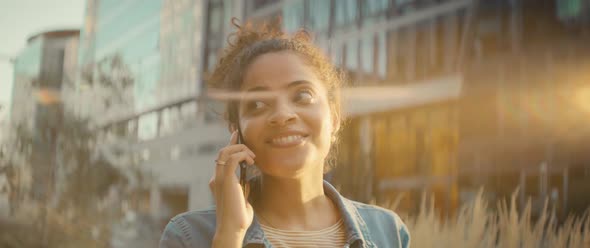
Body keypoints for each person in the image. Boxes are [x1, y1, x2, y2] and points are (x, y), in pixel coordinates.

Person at [159, 19, 410, 248]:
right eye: (257, 104)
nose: (282, 115)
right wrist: (229, 235)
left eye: (302, 95)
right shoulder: (188, 236)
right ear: (237, 132)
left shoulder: (388, 232)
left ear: (334, 118)